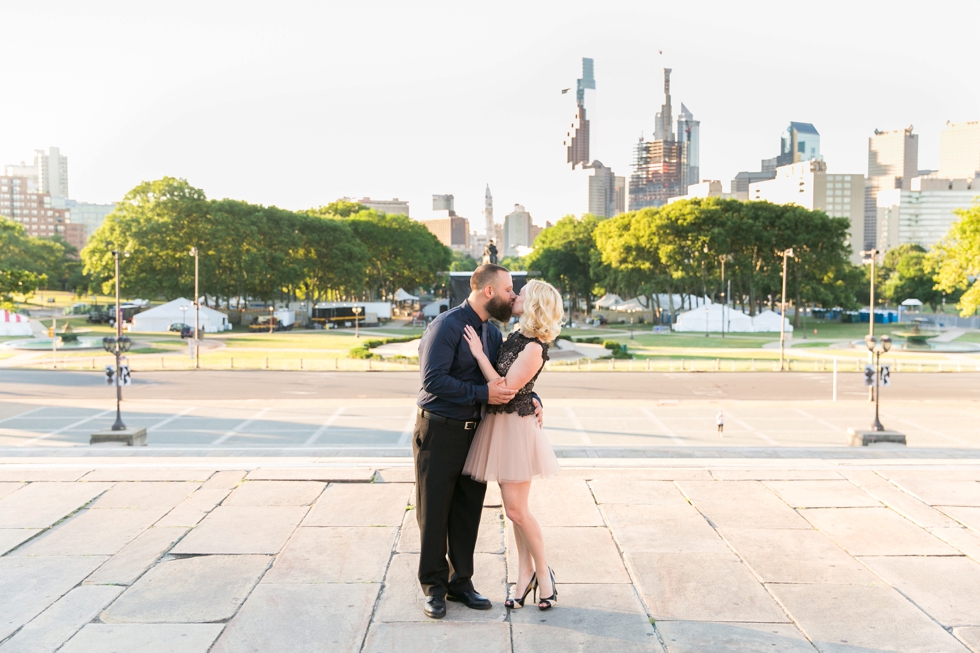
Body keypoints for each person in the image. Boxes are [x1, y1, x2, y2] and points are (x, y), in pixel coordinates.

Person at [413, 264, 542, 620]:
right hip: (439, 431)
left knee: (467, 511)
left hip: (476, 433)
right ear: (489, 292)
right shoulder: (446, 326)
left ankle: (461, 582)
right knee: (434, 510)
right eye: (509, 290)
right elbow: (432, 381)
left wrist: (533, 399)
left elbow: (506, 379)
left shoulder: (490, 334)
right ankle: (434, 588)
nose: (513, 297)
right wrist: (481, 392)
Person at [461, 279, 563, 611]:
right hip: (502, 428)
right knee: (514, 512)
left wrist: (478, 354)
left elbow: (503, 387)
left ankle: (544, 576)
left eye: (521, 294)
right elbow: (522, 387)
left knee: (518, 511)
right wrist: (534, 396)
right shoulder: (518, 337)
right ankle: (524, 576)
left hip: (516, 432)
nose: (514, 295)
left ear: (532, 305)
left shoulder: (534, 347)